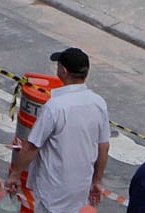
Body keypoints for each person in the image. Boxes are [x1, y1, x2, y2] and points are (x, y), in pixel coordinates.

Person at [7, 49, 111, 213]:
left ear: (63, 71)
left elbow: (32, 146)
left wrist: (15, 175)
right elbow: (103, 146)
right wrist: (97, 180)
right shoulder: (99, 103)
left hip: (53, 191)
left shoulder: (55, 107)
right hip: (80, 189)